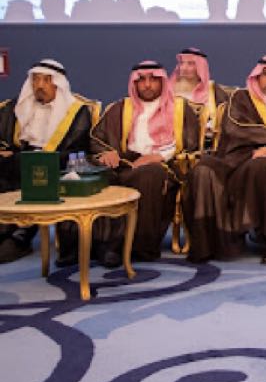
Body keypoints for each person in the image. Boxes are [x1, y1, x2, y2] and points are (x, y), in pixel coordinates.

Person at [184, 55, 266, 264]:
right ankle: (206, 245)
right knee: (203, 170)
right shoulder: (241, 98)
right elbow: (234, 128)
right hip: (234, 158)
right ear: (257, 76)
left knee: (261, 167)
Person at [92, 61, 202, 264]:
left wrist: (160, 156)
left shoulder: (180, 108)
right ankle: (106, 244)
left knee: (150, 174)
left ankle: (139, 246)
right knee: (101, 175)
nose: (147, 85)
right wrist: (107, 153)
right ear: (134, 83)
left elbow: (191, 144)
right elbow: (96, 139)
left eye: (153, 79)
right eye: (141, 80)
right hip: (125, 164)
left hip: (163, 167)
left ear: (162, 81)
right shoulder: (120, 108)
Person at [0, 60, 93, 263]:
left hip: (58, 161)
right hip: (20, 159)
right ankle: (5, 231)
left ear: (58, 84)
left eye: (46, 80)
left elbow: (78, 147)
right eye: (36, 80)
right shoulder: (17, 107)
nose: (40, 85)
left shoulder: (76, 111)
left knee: (34, 167)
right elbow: (6, 138)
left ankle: (21, 234)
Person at [169, 47, 229, 135]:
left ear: (201, 67)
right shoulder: (167, 90)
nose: (184, 68)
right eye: (182, 63)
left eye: (190, 64)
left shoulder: (213, 91)